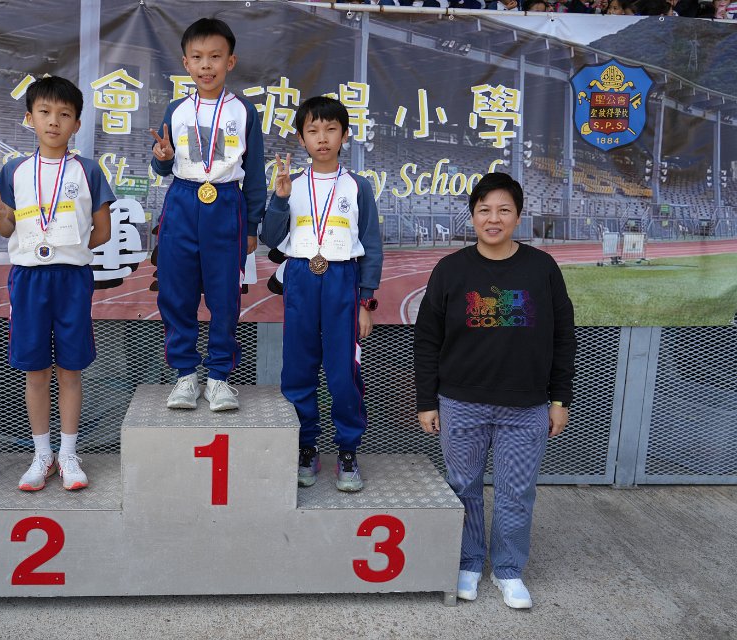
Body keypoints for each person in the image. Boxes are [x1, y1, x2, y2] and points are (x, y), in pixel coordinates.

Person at [413, 172, 576, 609]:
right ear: (472, 216)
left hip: (526, 406)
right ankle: (468, 562)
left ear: (518, 216)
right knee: (463, 487)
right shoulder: (451, 269)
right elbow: (426, 339)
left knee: (516, 491)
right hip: (460, 403)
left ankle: (508, 569)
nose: (493, 218)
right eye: (484, 210)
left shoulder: (542, 269)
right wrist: (427, 400)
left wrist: (559, 399)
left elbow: (564, 336)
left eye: (504, 210)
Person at [0, 76, 114, 491]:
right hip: (28, 279)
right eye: (45, 112)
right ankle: (42, 455)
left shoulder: (88, 170)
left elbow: (103, 231)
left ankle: (69, 454)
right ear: (29, 118)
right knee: (35, 370)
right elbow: (7, 230)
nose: (54, 121)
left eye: (64, 114)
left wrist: (67, 249)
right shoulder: (14, 170)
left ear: (77, 124)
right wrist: (0, 217)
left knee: (70, 369)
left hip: (71, 278)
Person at [261, 97, 383, 492]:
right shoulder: (292, 184)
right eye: (313, 131)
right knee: (299, 368)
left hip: (342, 278)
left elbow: (371, 245)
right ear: (301, 138)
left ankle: (347, 450)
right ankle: (305, 447)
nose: (323, 138)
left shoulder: (358, 186)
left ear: (345, 135)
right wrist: (280, 199)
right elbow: (270, 238)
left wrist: (365, 302)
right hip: (301, 275)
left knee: (343, 372)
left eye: (331, 129)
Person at [149, 17, 266, 412]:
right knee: (175, 292)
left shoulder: (244, 111)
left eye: (215, 57)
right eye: (197, 57)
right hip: (182, 201)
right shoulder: (176, 109)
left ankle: (218, 377)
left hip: (227, 203)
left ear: (230, 62)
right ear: (185, 63)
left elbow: (255, 172)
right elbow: (163, 166)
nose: (206, 65)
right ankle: (185, 375)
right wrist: (162, 158)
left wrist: (252, 225)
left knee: (224, 295)